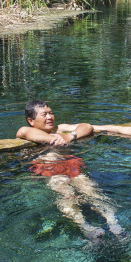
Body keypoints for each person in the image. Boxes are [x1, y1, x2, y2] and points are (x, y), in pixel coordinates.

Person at [17, 100, 123, 240]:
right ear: (31, 121)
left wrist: (69, 136)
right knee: (65, 193)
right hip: (50, 169)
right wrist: (51, 139)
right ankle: (86, 228)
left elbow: (86, 126)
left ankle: (113, 223)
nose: (50, 117)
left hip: (71, 166)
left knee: (90, 189)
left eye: (51, 113)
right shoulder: (28, 131)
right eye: (44, 114)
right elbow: (23, 131)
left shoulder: (60, 129)